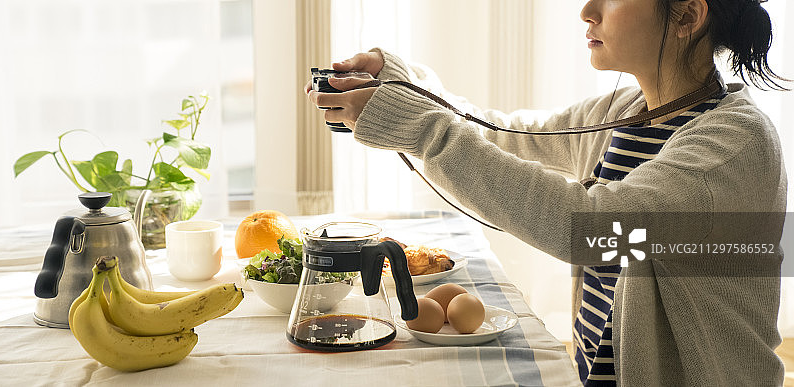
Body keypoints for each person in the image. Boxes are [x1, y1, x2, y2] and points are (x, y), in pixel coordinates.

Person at [306, 0, 788, 385]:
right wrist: (405, 86)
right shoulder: (630, 108)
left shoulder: (734, 143)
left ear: (687, 16)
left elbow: (595, 231)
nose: (587, 10)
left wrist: (423, 129)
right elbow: (500, 135)